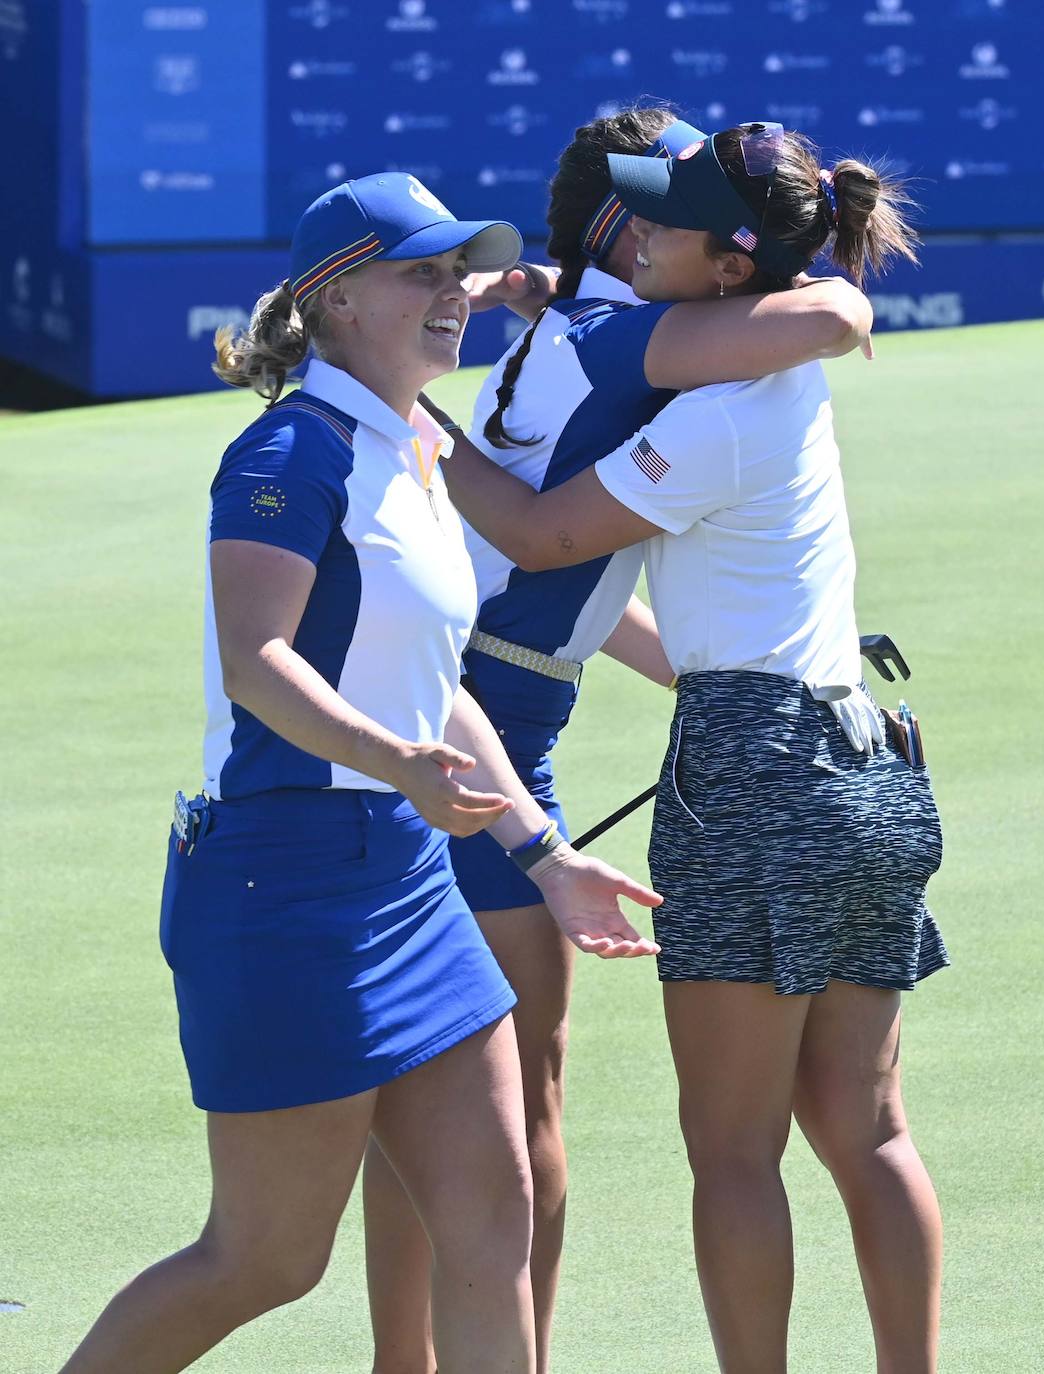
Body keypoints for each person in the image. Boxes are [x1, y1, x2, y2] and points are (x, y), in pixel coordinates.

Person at [58, 172, 665, 1374]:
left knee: (495, 1225)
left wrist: (545, 859)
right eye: (419, 274)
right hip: (279, 882)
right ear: (335, 301)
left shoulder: (420, 450)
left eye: (458, 274)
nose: (450, 298)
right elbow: (257, 661)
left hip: (411, 883)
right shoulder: (288, 449)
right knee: (268, 1259)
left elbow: (436, 685)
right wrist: (399, 764)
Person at [362, 109, 878, 1374]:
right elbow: (834, 319)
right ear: (626, 232)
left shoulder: (558, 333)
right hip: (486, 740)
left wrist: (709, 675)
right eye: (653, 207)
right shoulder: (646, 342)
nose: (666, 221)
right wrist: (843, 291)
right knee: (515, 1106)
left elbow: (579, 601)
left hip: (442, 699)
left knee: (418, 1099)